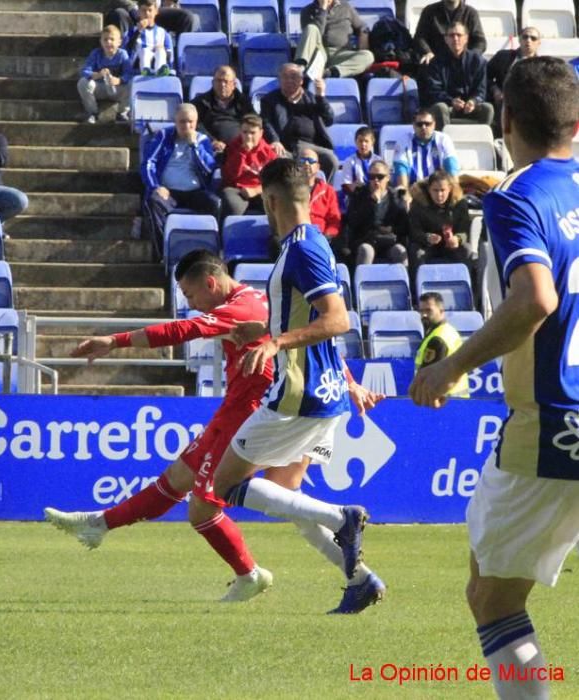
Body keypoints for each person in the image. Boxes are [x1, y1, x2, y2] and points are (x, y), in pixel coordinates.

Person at [45, 248, 386, 611]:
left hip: (260, 413)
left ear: (210, 282)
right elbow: (314, 340)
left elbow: (183, 330)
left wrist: (115, 341)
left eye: (192, 295)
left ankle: (303, 542)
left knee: (205, 507)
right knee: (190, 479)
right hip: (268, 408)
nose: (192, 304)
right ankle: (359, 578)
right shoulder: (259, 298)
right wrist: (351, 384)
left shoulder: (237, 308)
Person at [410, 56, 579, 700]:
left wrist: (453, 365)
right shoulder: (535, 190)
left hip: (554, 428)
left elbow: (535, 298)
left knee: (493, 597)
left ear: (504, 118)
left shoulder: (517, 200)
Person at [199, 157, 381, 608]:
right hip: (324, 394)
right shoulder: (305, 244)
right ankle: (360, 581)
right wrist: (261, 334)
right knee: (286, 496)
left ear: (270, 199)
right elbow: (309, 319)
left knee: (223, 486)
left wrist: (276, 342)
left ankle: (342, 517)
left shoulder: (303, 249)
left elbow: (337, 320)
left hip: (301, 396)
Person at [139, 103, 220, 258]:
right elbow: (148, 163)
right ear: (175, 121)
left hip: (195, 192)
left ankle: (209, 253)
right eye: (182, 122)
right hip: (168, 192)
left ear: (196, 122)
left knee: (215, 203)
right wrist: (156, 186)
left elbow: (209, 168)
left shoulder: (202, 140)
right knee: (154, 202)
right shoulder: (163, 136)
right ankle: (163, 253)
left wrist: (194, 146)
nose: (186, 126)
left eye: (190, 122)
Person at [260, 63, 339, 180]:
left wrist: (320, 97)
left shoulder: (312, 98)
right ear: (279, 80)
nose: (289, 80)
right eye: (285, 77)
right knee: (275, 159)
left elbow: (329, 119)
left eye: (293, 76)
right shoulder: (269, 100)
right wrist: (275, 140)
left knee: (331, 160)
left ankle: (323, 194)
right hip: (285, 146)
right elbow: (266, 122)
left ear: (301, 80)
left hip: (311, 146)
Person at [339, 158, 409, 268]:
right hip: (366, 240)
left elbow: (403, 225)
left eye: (380, 177)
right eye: (371, 177)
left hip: (388, 241)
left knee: (400, 251)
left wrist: (391, 230)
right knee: (366, 251)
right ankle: (360, 283)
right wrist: (372, 204)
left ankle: (406, 283)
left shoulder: (395, 197)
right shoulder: (359, 195)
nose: (376, 180)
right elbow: (353, 222)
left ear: (388, 178)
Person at [424, 22, 493, 130]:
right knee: (440, 108)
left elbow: (481, 90)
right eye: (451, 35)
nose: (455, 38)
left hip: (470, 107)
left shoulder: (478, 61)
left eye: (459, 35)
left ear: (466, 38)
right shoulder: (436, 62)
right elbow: (434, 91)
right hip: (448, 106)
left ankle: (479, 142)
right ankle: (445, 143)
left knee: (488, 108)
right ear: (446, 39)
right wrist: (451, 100)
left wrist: (473, 101)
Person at [408, 168, 472, 271]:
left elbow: (465, 229)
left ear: (450, 189)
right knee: (416, 252)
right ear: (429, 189)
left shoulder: (460, 203)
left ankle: (468, 285)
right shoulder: (418, 203)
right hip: (427, 245)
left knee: (467, 251)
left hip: (451, 245)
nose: (439, 195)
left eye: (442, 190)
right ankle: (417, 285)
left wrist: (457, 239)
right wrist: (427, 237)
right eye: (435, 190)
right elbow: (414, 230)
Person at [295, 0, 374, 79]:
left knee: (368, 56)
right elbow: (316, 33)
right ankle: (300, 69)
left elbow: (362, 27)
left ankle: (330, 72)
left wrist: (363, 39)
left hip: (340, 53)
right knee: (311, 28)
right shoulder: (307, 11)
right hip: (318, 52)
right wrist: (322, 10)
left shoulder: (346, 7)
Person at [219, 114, 278, 217]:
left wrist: (256, 190)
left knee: (274, 204)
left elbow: (273, 182)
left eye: (253, 133)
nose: (248, 136)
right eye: (245, 132)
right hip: (236, 189)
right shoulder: (232, 147)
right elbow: (228, 178)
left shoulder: (269, 153)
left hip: (260, 190)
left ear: (261, 133)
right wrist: (242, 152)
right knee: (231, 203)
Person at [191, 65, 256, 154]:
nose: (222, 85)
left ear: (234, 85)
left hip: (240, 150)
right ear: (213, 83)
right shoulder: (200, 102)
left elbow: (254, 123)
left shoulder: (244, 102)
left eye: (226, 81)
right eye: (219, 81)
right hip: (209, 150)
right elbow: (195, 125)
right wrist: (211, 141)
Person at [415, 291, 468, 397]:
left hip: (443, 403)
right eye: (421, 311)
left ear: (441, 310)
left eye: (428, 310)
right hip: (458, 401)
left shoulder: (438, 338)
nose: (424, 315)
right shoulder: (449, 330)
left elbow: (429, 378)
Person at [392, 109, 460, 189]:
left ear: (434, 125)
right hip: (414, 188)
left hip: (439, 188)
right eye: (419, 124)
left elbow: (451, 166)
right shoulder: (403, 140)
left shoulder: (443, 139)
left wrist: (455, 191)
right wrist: (405, 194)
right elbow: (401, 169)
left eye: (427, 124)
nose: (423, 127)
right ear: (413, 126)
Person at [77, 24, 133, 124]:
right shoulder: (96, 53)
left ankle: (122, 113)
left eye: (112, 39)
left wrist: (119, 80)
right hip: (100, 87)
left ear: (119, 42)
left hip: (117, 89)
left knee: (132, 84)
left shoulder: (122, 54)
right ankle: (93, 113)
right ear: (101, 42)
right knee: (83, 83)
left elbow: (129, 73)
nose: (108, 42)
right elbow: (85, 70)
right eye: (105, 39)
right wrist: (97, 75)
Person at [486, 28, 541, 125]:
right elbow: (484, 76)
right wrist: (495, 89)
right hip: (502, 102)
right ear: (519, 40)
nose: (528, 40)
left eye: (533, 38)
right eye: (525, 37)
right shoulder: (503, 56)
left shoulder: (542, 66)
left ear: (538, 43)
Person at [413, 0, 486, 65]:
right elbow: (420, 37)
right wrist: (427, 52)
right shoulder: (429, 11)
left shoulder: (470, 13)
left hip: (463, 66)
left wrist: (470, 57)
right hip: (436, 65)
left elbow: (480, 42)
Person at [124, 0, 174, 76]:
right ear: (138, 12)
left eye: (150, 10)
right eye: (144, 10)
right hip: (137, 64)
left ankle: (160, 71)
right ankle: (145, 70)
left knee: (160, 50)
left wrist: (163, 49)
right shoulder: (132, 31)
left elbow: (170, 56)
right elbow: (127, 51)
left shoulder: (163, 33)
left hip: (156, 60)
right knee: (145, 50)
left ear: (156, 11)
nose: (147, 14)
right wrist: (138, 31)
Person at [301, 147, 341, 243]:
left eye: (310, 161)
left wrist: (325, 237)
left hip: (320, 237)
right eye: (303, 161)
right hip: (297, 236)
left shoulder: (328, 191)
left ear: (318, 167)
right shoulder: (290, 190)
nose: (306, 164)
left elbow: (334, 221)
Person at [104, 0, 198, 38]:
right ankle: (124, 59)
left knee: (187, 17)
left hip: (154, 10)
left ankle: (178, 60)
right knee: (119, 14)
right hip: (130, 11)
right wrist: (134, 10)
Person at [334, 126, 378, 197]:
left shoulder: (378, 161)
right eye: (360, 141)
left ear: (372, 142)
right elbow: (348, 185)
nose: (363, 144)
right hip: (356, 197)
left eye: (366, 141)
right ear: (355, 142)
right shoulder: (349, 161)